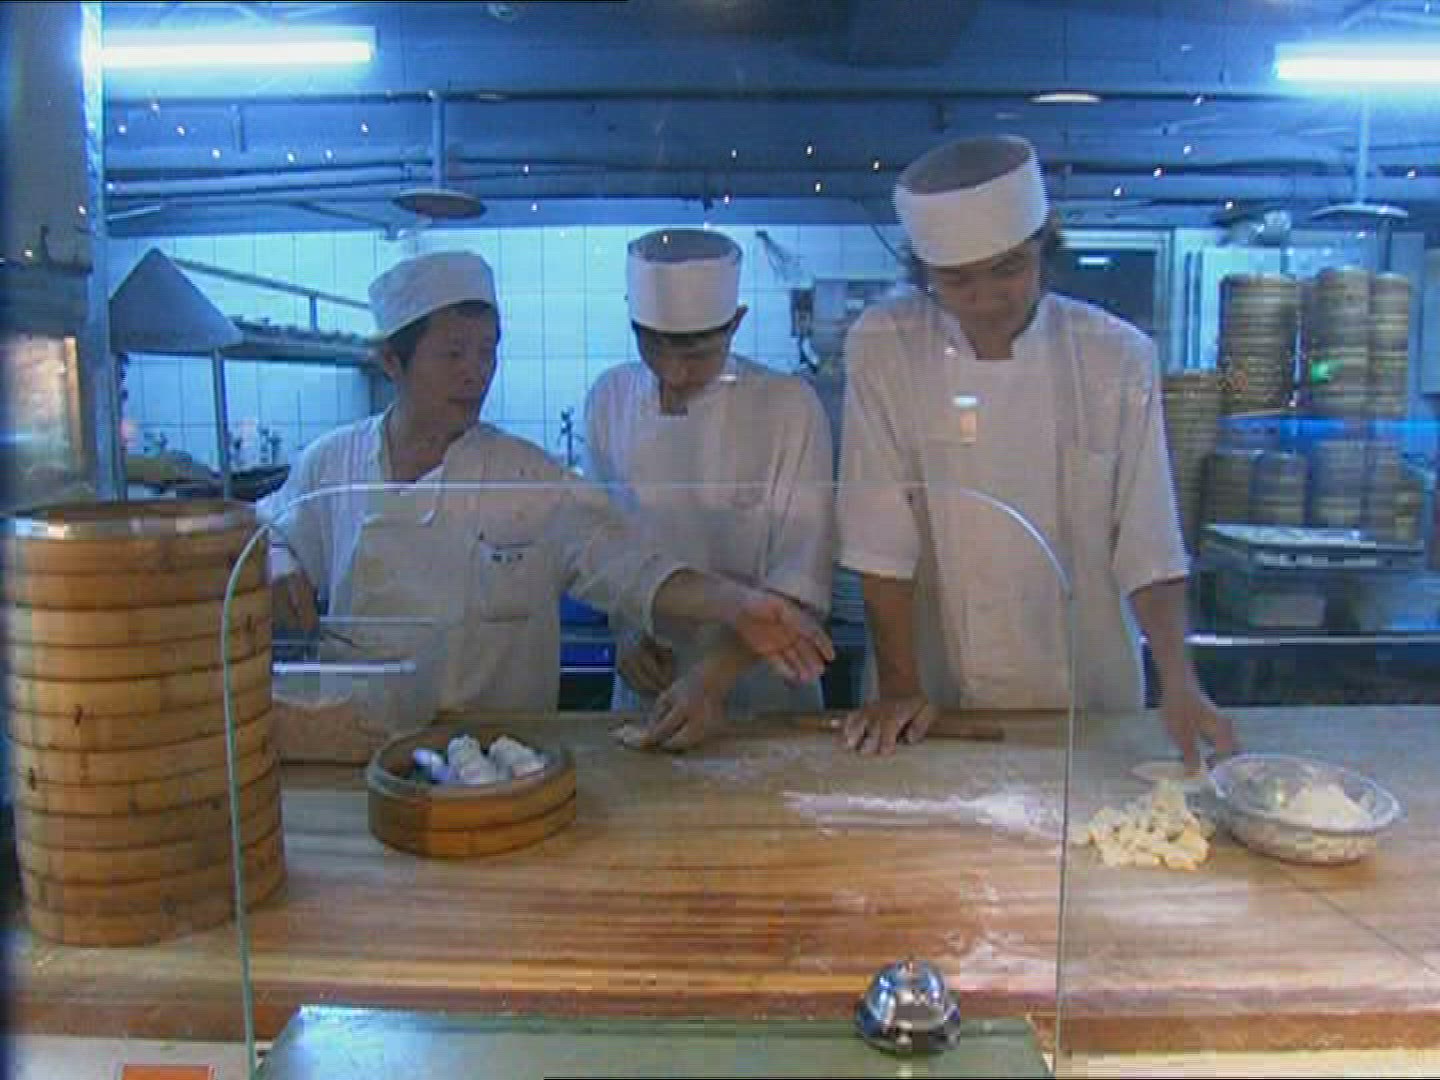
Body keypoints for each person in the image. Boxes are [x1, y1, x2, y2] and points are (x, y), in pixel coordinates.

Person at [262, 250, 831, 720]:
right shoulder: (332, 464)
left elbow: (624, 562)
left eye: (487, 352)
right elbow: (266, 532)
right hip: (358, 741)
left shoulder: (523, 475)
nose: (475, 373)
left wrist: (736, 605)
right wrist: (277, 558)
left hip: (499, 759)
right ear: (391, 360)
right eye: (453, 354)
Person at [837, 135, 1237, 770]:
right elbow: (879, 537)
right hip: (935, 697)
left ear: (1045, 248)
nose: (987, 297)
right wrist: (901, 688)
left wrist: (1180, 683)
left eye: (1009, 269)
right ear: (924, 272)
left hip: (1085, 695)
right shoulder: (886, 345)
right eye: (957, 279)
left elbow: (1149, 541)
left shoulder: (1115, 355)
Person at [584, 228, 835, 750]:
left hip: (765, 698)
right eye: (652, 346)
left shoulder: (788, 407)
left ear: (735, 323)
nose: (673, 372)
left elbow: (802, 576)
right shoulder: (610, 399)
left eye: (696, 354)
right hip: (647, 698)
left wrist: (711, 678)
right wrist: (626, 633)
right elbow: (601, 549)